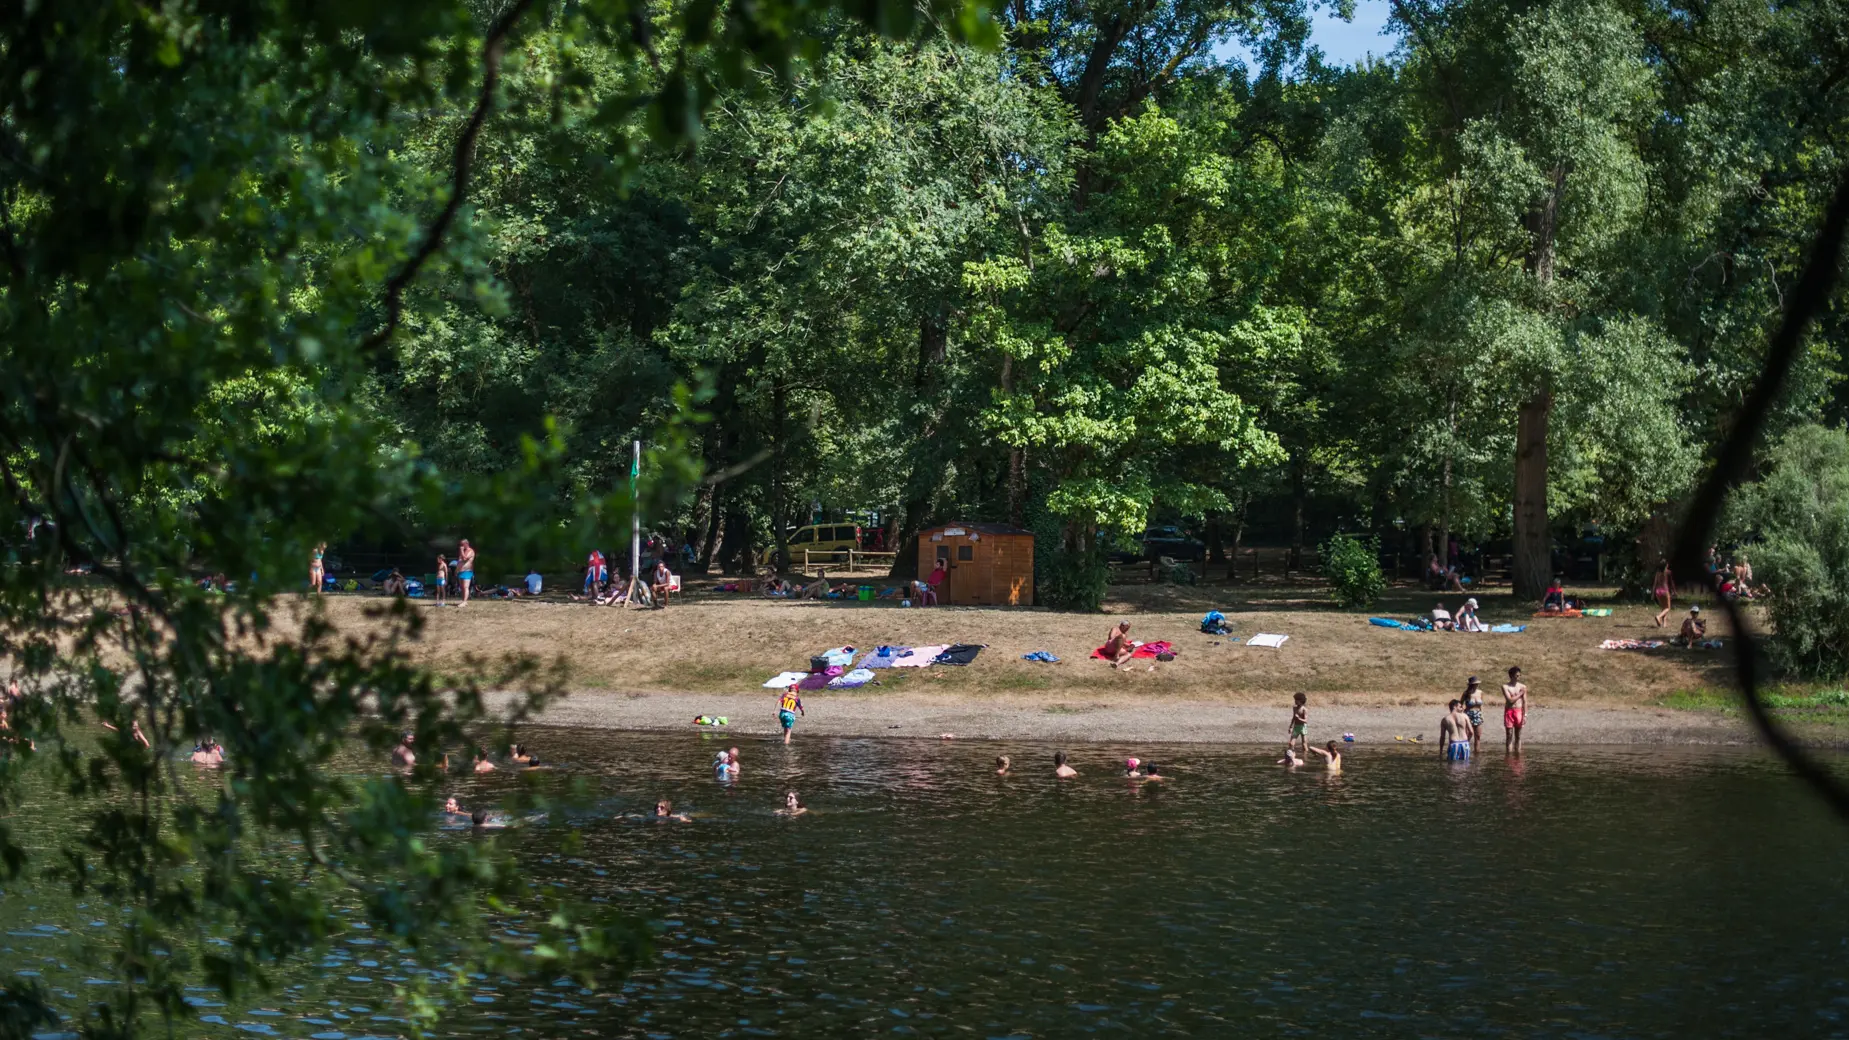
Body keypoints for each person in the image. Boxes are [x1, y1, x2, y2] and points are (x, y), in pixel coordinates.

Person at [1502, 665, 1528, 753]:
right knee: (1509, 735)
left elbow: (1525, 702)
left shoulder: (1523, 687)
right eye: (1517, 675)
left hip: (1519, 711)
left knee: (1518, 735)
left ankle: (1518, 754)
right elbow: (1510, 700)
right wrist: (1520, 694)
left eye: (1519, 675)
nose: (1518, 677)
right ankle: (1508, 754)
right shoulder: (1505, 687)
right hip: (1509, 711)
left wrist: (1525, 715)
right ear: (1511, 676)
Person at [1462, 676, 1485, 752]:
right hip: (1468, 714)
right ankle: (1465, 751)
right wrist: (1462, 715)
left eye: (1477, 684)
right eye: (1475, 684)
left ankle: (1477, 752)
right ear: (1471, 684)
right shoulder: (1466, 693)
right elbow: (1460, 704)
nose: (1476, 685)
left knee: (1478, 736)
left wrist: (1482, 714)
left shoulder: (1480, 692)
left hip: (1478, 714)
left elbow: (1481, 704)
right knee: (1468, 735)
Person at [1652, 559, 1674, 627]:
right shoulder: (1668, 572)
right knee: (1668, 608)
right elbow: (1671, 583)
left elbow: (1655, 584)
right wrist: (1674, 591)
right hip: (1664, 590)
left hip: (1658, 591)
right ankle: (1659, 617)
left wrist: (1653, 594)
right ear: (1666, 565)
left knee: (1663, 608)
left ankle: (1664, 624)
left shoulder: (1657, 573)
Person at [456, 539, 476, 606]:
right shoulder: (463, 551)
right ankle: (463, 601)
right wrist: (457, 569)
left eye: (462, 544)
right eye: (460, 545)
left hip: (467, 571)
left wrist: (461, 551)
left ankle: (465, 601)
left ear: (466, 544)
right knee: (462, 587)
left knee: (465, 587)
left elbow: (465, 559)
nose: (461, 546)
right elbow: (459, 561)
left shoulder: (471, 551)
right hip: (461, 571)